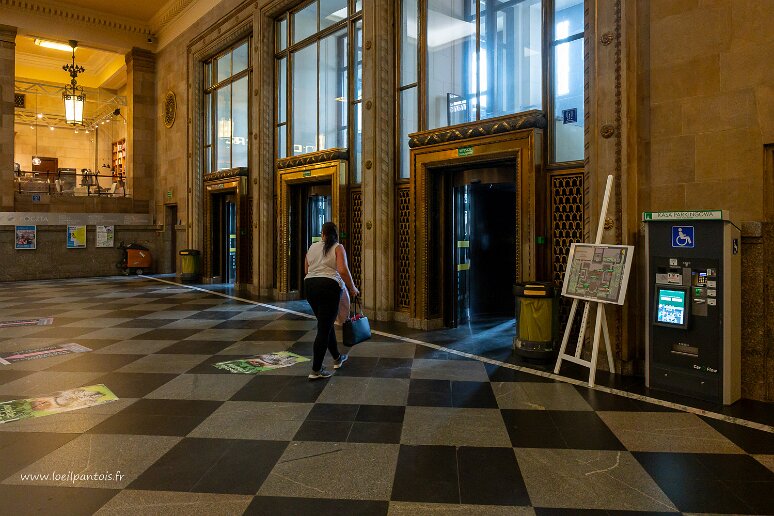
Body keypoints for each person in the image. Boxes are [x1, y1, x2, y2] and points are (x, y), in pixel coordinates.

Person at [304, 221, 359, 379]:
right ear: (335, 233)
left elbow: (306, 269)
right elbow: (342, 270)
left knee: (325, 324)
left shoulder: (312, 246)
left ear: (322, 233)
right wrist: (352, 288)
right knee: (323, 328)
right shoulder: (338, 247)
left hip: (310, 285)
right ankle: (316, 369)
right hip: (328, 286)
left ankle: (337, 358)